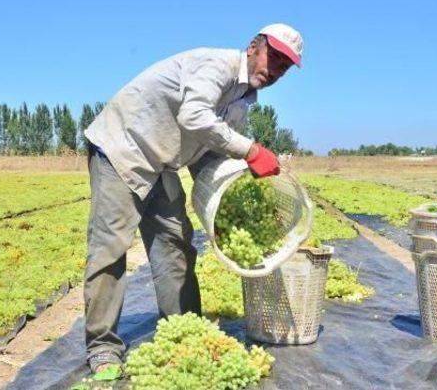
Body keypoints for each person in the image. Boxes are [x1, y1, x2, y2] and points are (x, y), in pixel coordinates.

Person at [82, 23, 303, 380]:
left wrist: (236, 198)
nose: (275, 69)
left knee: (175, 248)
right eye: (273, 58)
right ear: (253, 47)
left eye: (284, 66)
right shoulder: (217, 66)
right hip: (122, 150)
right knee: (110, 248)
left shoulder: (244, 99)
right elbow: (194, 116)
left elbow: (208, 151)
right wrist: (250, 150)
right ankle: (102, 348)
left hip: (162, 163)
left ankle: (186, 334)